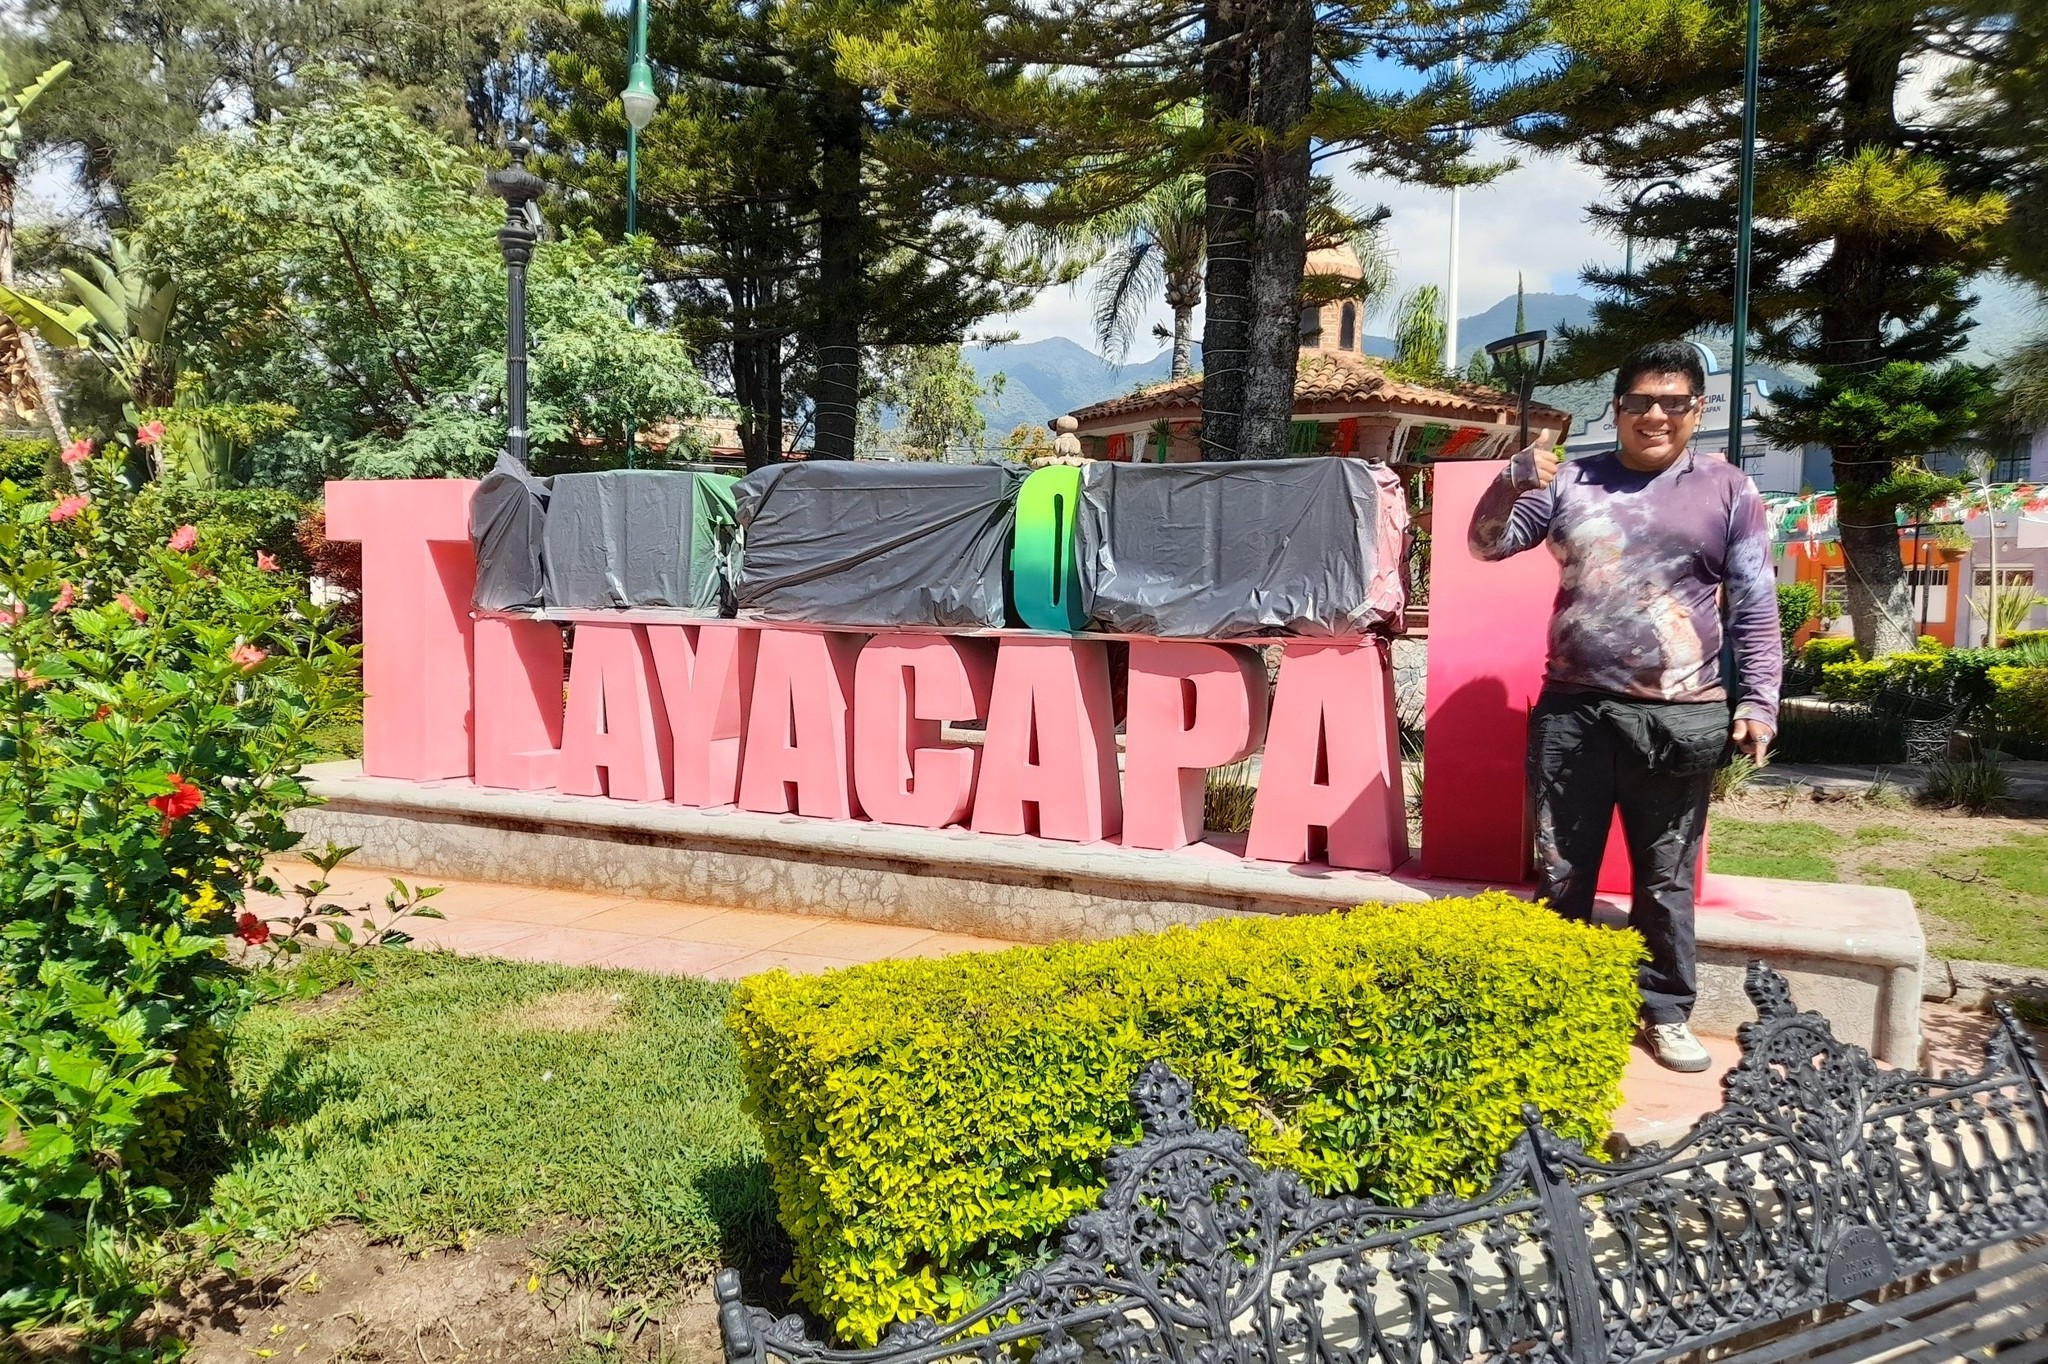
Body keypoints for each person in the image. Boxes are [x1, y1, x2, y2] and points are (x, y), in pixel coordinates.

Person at [1468, 340, 1781, 1073]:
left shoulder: (1730, 490)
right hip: (1573, 712)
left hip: (1680, 715)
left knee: (1665, 876)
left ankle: (1666, 1010)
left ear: (1697, 410)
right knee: (1563, 871)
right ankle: (1558, 1002)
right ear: (1617, 409)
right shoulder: (1570, 480)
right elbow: (1487, 546)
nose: (1656, 415)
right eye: (1640, 401)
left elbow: (1756, 607)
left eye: (1674, 402)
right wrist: (1508, 484)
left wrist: (1760, 701)